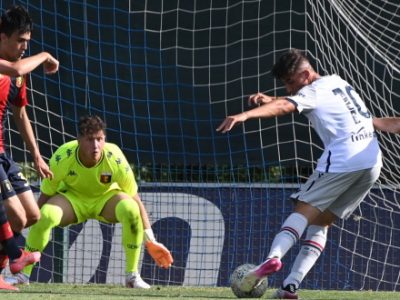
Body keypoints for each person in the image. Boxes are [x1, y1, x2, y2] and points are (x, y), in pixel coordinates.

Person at [217, 49, 385, 299]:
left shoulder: (311, 91)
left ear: (306, 74)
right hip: (371, 162)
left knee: (302, 212)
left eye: (291, 82)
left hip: (343, 161)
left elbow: (288, 104)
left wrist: (245, 115)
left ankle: (271, 260)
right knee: (322, 222)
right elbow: (308, 102)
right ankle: (289, 288)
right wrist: (272, 99)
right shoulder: (338, 82)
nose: (289, 88)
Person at [15, 115, 173, 288]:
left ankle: (132, 277)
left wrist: (150, 240)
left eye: (100, 139)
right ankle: (23, 276)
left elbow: (137, 200)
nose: (96, 145)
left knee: (130, 208)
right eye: (90, 140)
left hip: (105, 200)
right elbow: (44, 197)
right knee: (46, 214)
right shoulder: (62, 157)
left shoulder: (115, 158)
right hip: (72, 200)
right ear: (79, 140)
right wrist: (20, 230)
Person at [0, 4, 59, 289]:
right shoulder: (11, 66)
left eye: (28, 42)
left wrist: (36, 155)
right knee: (16, 215)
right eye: (19, 40)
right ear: (2, 37)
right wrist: (45, 55)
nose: (24, 47)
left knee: (32, 215)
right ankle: (14, 258)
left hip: (1, 152)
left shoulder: (19, 74)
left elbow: (20, 113)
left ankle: (7, 265)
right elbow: (15, 67)